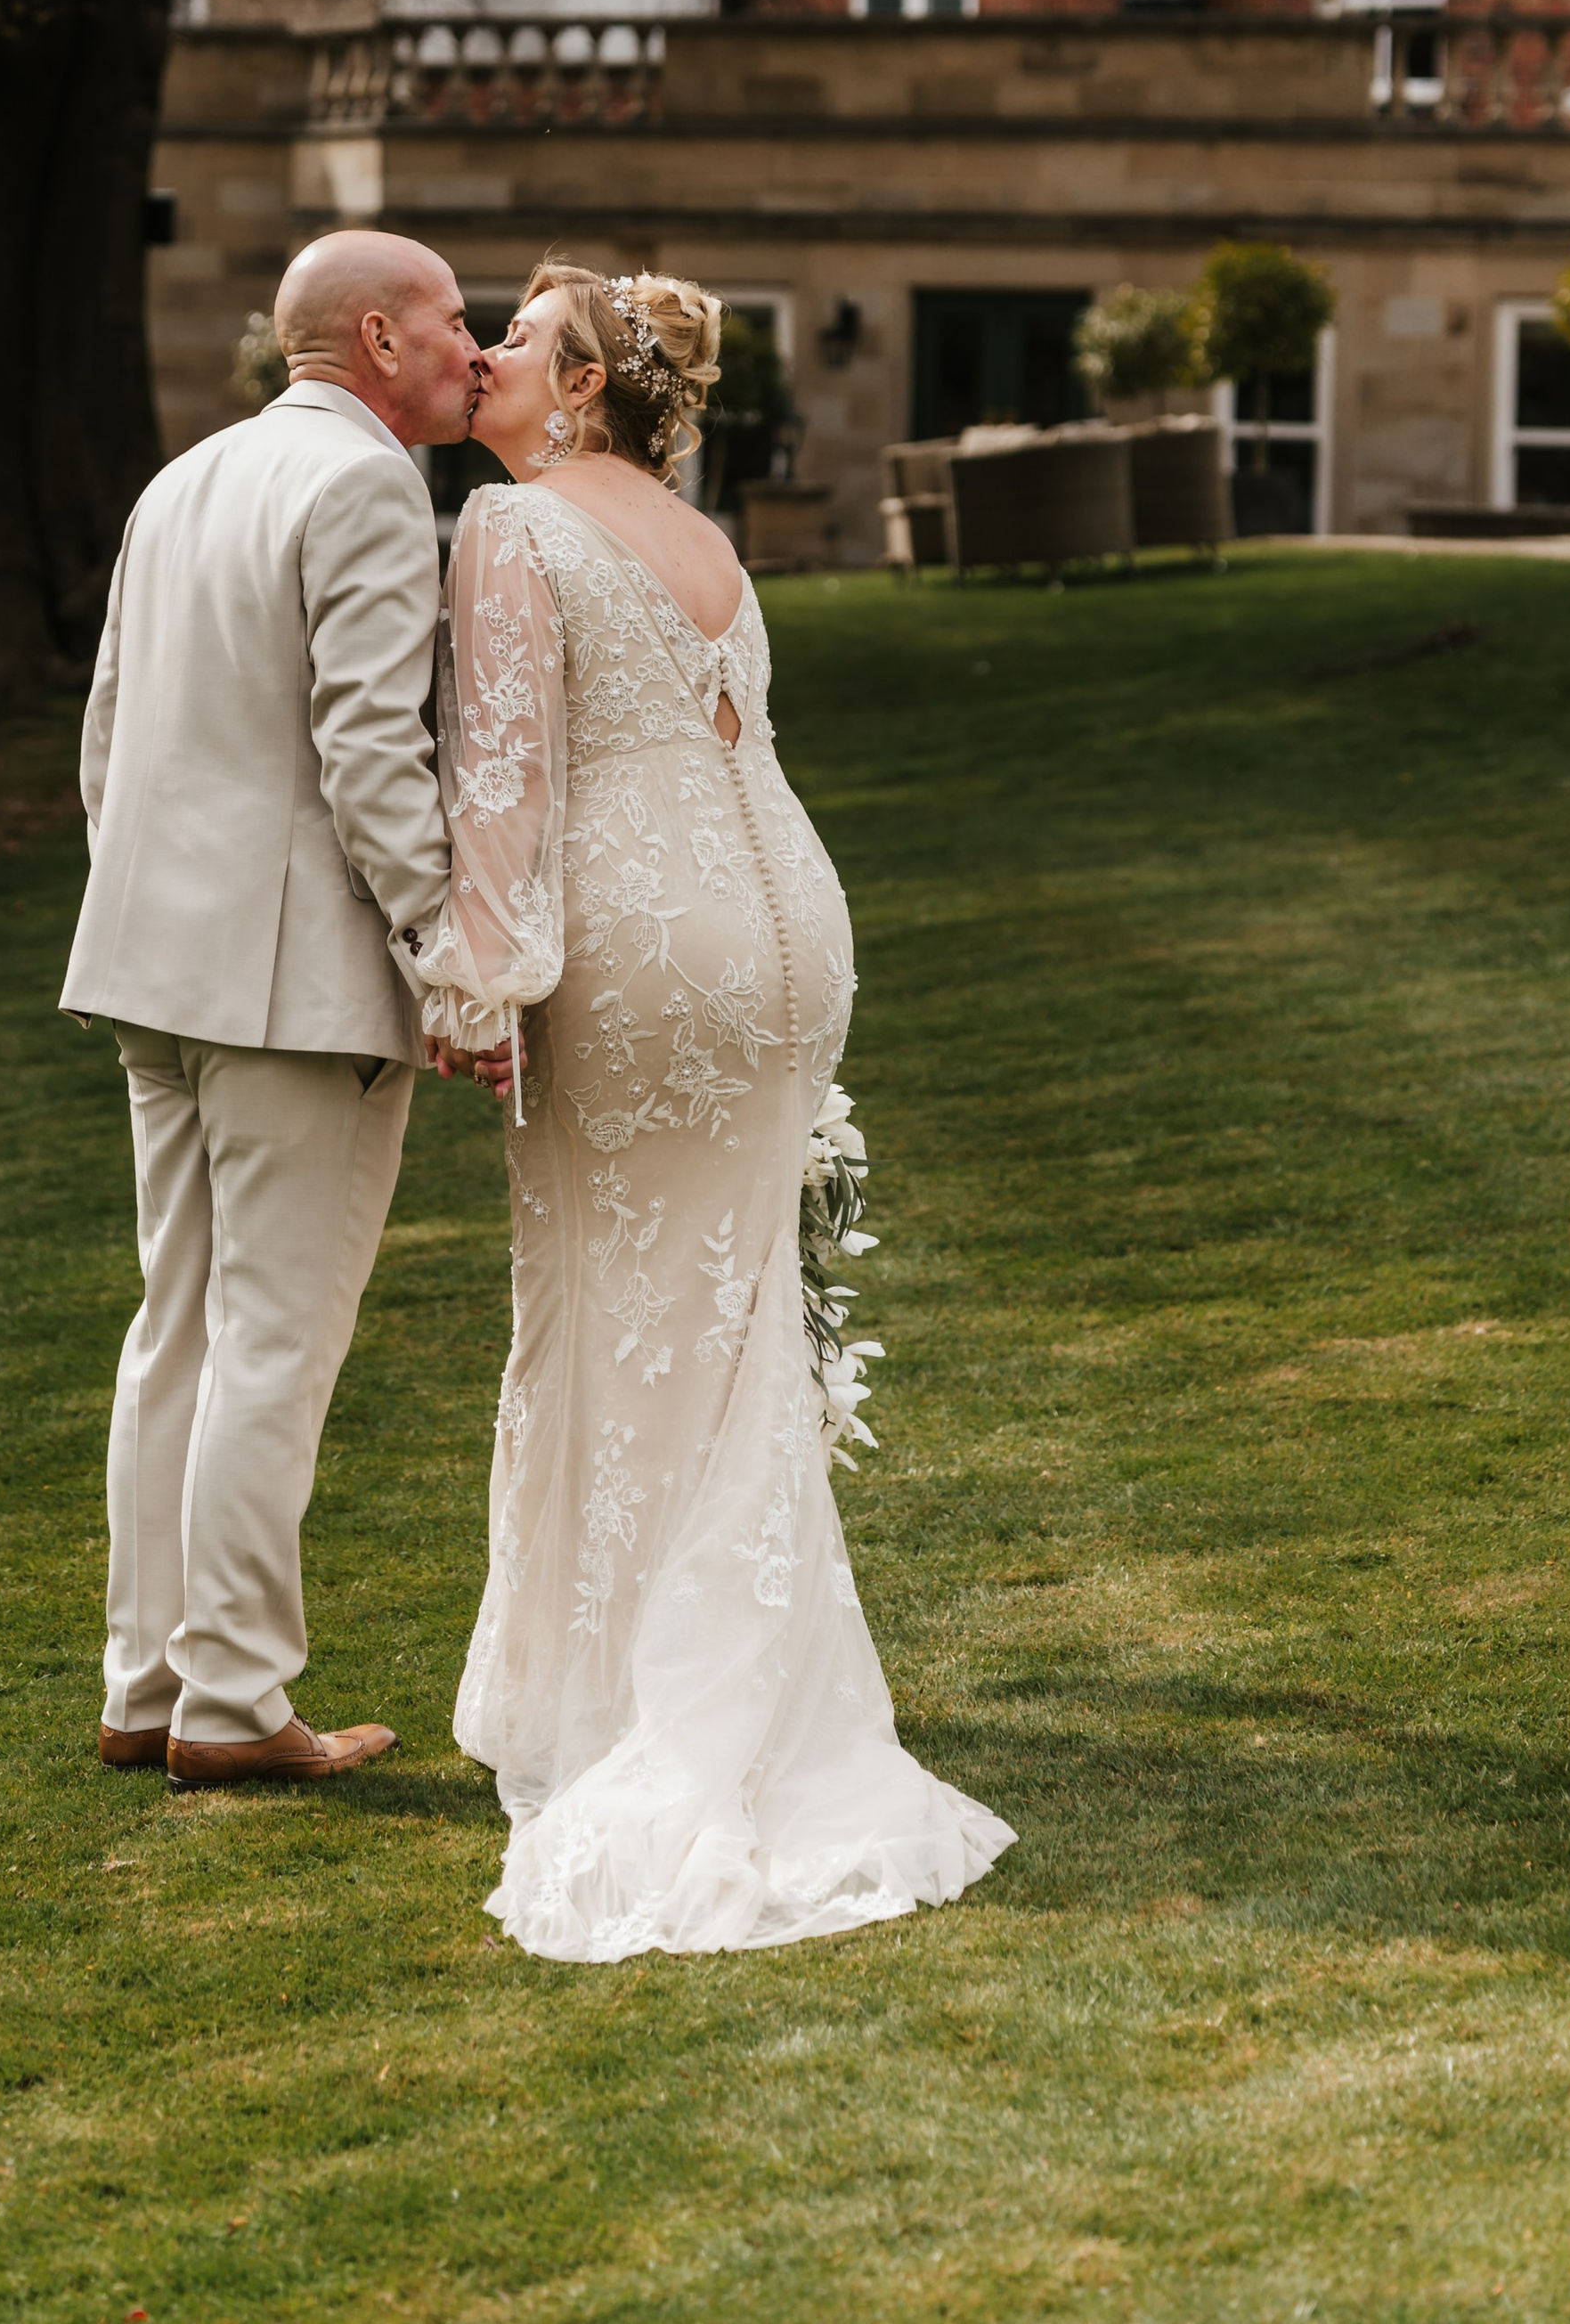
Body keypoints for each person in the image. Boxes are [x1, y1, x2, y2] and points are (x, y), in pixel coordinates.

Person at [414, 263, 1013, 1959]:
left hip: (643, 948)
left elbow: (506, 769)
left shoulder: (511, 528)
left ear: (586, 383)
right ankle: (684, 1675)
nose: (485, 356)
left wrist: (478, 978)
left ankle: (630, 1708)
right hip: (786, 936)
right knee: (723, 1309)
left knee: (612, 1303)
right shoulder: (702, 536)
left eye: (516, 339)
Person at [62, 231, 483, 1789]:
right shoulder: (368, 482)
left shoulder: (178, 479)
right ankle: (235, 1704)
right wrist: (447, 949)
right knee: (270, 1338)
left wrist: (153, 907)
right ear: (375, 335)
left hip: (151, 969)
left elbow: (108, 738)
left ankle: (146, 1682)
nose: (471, 340)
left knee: (175, 1322)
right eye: (450, 317)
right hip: (290, 987)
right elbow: (374, 747)